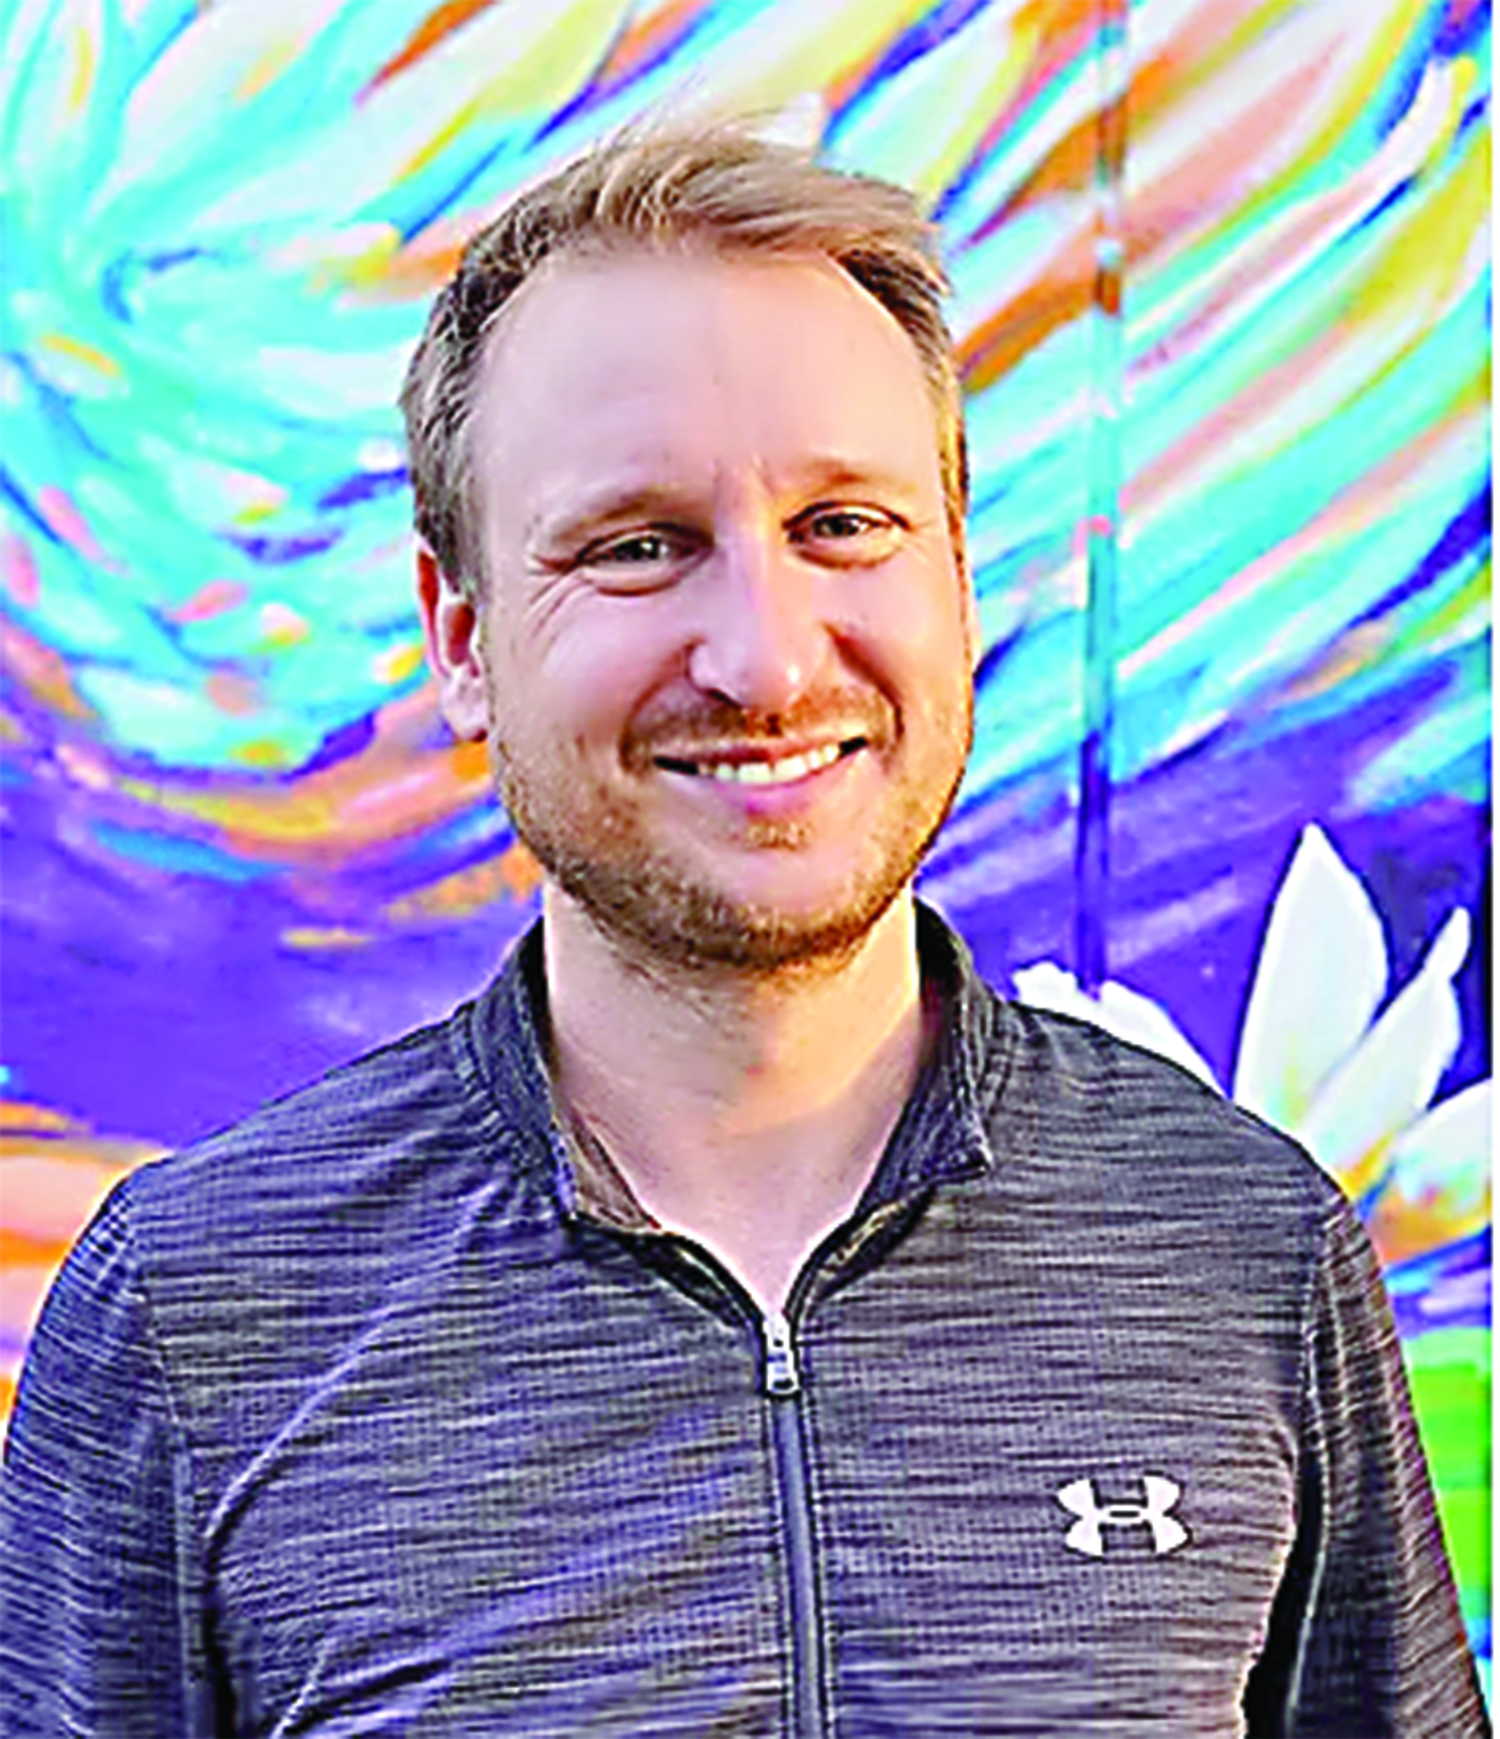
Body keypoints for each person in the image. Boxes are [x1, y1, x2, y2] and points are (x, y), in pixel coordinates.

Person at [0, 126, 1487, 1738]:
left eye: (843, 524)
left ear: (957, 575)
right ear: (463, 634)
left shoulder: (1244, 1251)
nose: (768, 661)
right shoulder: (199, 1309)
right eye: (637, 546)